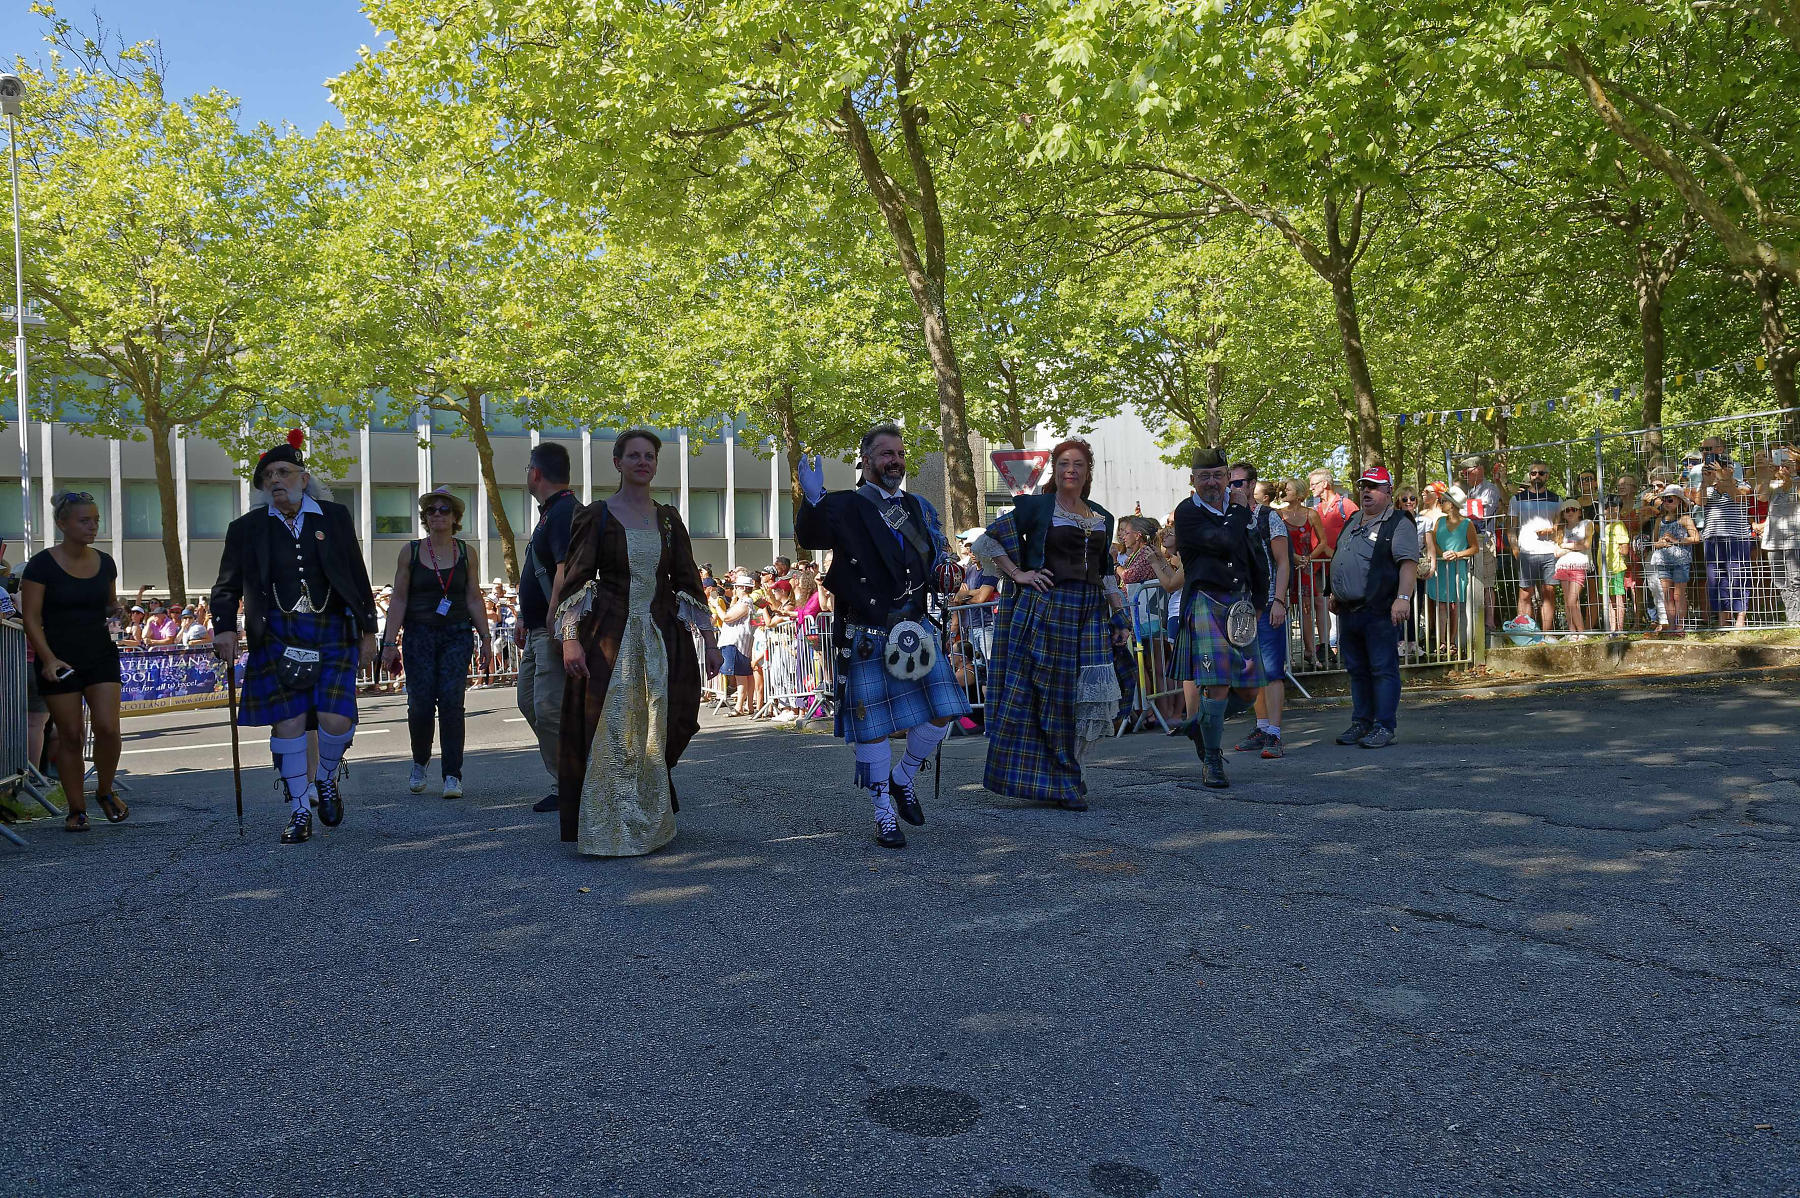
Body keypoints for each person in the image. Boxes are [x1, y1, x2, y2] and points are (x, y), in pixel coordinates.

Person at [794, 423, 969, 849]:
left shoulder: (918, 506)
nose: (896, 461)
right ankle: (883, 815)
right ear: (866, 460)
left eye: (900, 454)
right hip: (867, 628)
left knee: (944, 710)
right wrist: (812, 500)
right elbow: (812, 536)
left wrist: (945, 571)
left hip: (914, 625)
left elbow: (936, 554)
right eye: (887, 453)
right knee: (871, 727)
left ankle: (903, 777)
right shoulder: (846, 504)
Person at [553, 429, 720, 857]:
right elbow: (576, 581)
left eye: (649, 456)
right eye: (634, 456)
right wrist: (570, 640)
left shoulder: (668, 519)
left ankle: (649, 821)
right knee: (610, 728)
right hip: (609, 638)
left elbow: (688, 582)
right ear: (618, 463)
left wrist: (709, 640)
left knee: (657, 726)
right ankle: (606, 826)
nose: (643, 462)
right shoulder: (597, 516)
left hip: (660, 638)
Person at [210, 437, 380, 843]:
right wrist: (224, 627)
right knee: (288, 722)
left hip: (331, 628)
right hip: (278, 632)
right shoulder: (247, 528)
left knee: (336, 718)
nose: (275, 480)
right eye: (268, 476)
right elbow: (226, 584)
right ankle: (300, 810)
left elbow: (356, 574)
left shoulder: (334, 517)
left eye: (283, 472)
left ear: (304, 479)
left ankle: (325, 778)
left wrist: (369, 631)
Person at [974, 438, 1130, 811]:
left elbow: (1106, 573)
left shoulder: (1102, 517)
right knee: (1052, 696)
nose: (1070, 470)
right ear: (1054, 470)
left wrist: (1120, 614)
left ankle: (1070, 771)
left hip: (1090, 611)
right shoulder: (1038, 507)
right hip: (1048, 608)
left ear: (1088, 472)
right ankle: (1064, 779)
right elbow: (988, 541)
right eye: (1063, 463)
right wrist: (1019, 573)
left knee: (1089, 695)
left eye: (1078, 464)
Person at [1150, 447, 1271, 788]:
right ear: (1193, 480)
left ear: (1227, 477)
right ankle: (1213, 760)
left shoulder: (1239, 510)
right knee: (1217, 687)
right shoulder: (1188, 512)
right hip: (1206, 601)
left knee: (1249, 691)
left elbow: (1256, 555)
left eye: (1218, 475)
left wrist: (1259, 601)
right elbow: (1223, 541)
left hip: (1241, 604)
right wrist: (1239, 510)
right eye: (1204, 476)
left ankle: (1198, 724)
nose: (1212, 482)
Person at [18, 491, 127, 831]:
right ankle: (76, 809)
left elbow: (108, 603)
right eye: (84, 521)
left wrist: (116, 611)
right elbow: (31, 618)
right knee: (70, 735)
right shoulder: (41, 565)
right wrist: (48, 659)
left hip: (100, 653)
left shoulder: (106, 562)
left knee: (107, 727)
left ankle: (105, 790)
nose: (93, 526)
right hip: (59, 658)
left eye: (96, 520)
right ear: (62, 524)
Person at [380, 487, 493, 800]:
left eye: (445, 510)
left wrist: (485, 638)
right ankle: (420, 761)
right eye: (432, 510)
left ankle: (452, 774)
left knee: (452, 702)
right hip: (419, 634)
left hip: (457, 633)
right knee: (420, 703)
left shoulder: (466, 552)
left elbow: (473, 597)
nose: (438, 514)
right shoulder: (411, 551)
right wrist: (389, 642)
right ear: (425, 517)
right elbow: (399, 598)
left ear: (456, 517)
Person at [1327, 466, 1420, 748]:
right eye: (1363, 486)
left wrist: (1403, 598)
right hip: (1349, 609)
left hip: (1379, 608)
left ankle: (1384, 726)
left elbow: (1408, 564)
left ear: (1388, 491)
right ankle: (1362, 722)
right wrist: (1334, 592)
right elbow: (1343, 557)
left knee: (1382, 668)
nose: (1366, 491)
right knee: (1357, 670)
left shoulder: (1399, 522)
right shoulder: (1354, 519)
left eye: (1374, 486)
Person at [517, 442, 580, 814]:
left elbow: (563, 569)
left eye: (528, 469)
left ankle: (570, 784)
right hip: (537, 629)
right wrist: (524, 615)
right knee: (530, 702)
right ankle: (566, 778)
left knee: (549, 708)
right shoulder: (551, 512)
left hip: (550, 629)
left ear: (536, 473)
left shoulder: (563, 511)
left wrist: (555, 618)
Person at [1231, 467, 1292, 760]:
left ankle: (1274, 733)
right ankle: (1262, 726)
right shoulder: (1228, 517)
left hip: (1267, 603)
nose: (1233, 487)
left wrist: (1279, 600)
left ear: (1252, 484)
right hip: (1241, 608)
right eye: (1230, 482)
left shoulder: (1269, 517)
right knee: (1252, 671)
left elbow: (1283, 562)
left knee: (1271, 670)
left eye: (1238, 482)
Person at [1277, 479, 1331, 669]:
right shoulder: (1278, 514)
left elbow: (1323, 542)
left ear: (1299, 494)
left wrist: (1308, 558)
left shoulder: (1311, 514)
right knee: (1283, 609)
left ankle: (1309, 651)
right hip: (1285, 566)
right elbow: (1276, 542)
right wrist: (1293, 557)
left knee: (1306, 609)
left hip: (1305, 568)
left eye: (1288, 489)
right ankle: (1286, 653)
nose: (1284, 492)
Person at [1307, 468, 1357, 663]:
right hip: (1319, 566)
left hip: (1341, 566)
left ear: (1325, 484)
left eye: (1314, 484)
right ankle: (1325, 646)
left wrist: (1336, 554)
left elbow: (1357, 532)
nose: (1311, 488)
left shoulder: (1346, 505)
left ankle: (1347, 646)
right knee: (1321, 605)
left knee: (1344, 605)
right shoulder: (1315, 509)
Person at [1698, 457, 1755, 628]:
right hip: (1713, 538)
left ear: (1730, 469)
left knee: (1738, 578)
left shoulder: (1743, 485)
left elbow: (1739, 498)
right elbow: (1699, 502)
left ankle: (1740, 618)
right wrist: (1705, 482)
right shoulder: (1709, 488)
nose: (1716, 470)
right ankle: (1723, 620)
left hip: (1737, 538)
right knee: (1716, 580)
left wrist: (1723, 478)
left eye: (1721, 467)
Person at [1645, 485, 1700, 636]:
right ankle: (1670, 626)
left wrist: (1677, 540)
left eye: (1670, 500)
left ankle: (1680, 626)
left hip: (1680, 561)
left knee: (1678, 595)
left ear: (1680, 502)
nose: (1666, 503)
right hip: (1663, 561)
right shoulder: (1659, 520)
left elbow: (1696, 538)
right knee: (1667, 594)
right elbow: (1654, 542)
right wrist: (1660, 543)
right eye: (1664, 500)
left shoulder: (1685, 519)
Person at [1424, 492, 1474, 652]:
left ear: (1451, 504)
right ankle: (1442, 642)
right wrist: (1442, 554)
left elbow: (1474, 547)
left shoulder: (1467, 523)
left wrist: (1457, 554)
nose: (1440, 503)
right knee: (1440, 605)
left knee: (1454, 606)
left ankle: (1451, 641)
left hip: (1457, 569)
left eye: (1443, 501)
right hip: (1441, 567)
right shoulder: (1439, 521)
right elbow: (1433, 542)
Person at [1755, 448, 1799, 623]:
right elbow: (1761, 497)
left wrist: (1790, 477)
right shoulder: (1774, 483)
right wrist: (1768, 474)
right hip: (1773, 540)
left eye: (1789, 462)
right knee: (1780, 582)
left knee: (1796, 580)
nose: (1784, 466)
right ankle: (1792, 618)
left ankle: (1796, 618)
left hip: (1795, 539)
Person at [716, 572, 756, 713]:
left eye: (737, 587)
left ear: (743, 588)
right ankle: (748, 705)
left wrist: (717, 606)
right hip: (739, 643)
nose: (735, 590)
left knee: (740, 675)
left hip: (738, 643)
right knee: (745, 675)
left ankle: (739, 706)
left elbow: (727, 617)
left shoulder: (745, 603)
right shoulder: (741, 602)